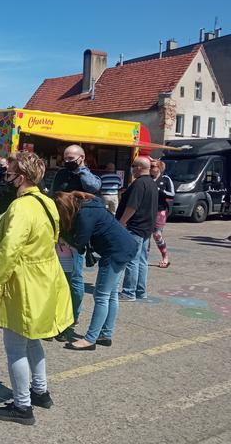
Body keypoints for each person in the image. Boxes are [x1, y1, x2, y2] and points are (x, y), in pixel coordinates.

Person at [0, 152, 73, 425]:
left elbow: (9, 251)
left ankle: (22, 407)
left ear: (20, 178)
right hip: (44, 279)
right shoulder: (46, 202)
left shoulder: (20, 208)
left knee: (15, 347)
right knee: (33, 339)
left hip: (23, 283)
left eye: (8, 175)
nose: (5, 179)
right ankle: (40, 391)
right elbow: (53, 237)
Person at [55, 191, 139, 350]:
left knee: (101, 296)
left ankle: (90, 339)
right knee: (112, 294)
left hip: (115, 252)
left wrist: (63, 236)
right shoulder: (90, 206)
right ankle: (105, 334)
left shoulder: (85, 214)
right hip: (125, 247)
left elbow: (80, 242)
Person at [49, 144, 101, 336]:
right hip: (61, 233)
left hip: (79, 236)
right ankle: (59, 313)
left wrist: (81, 170)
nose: (68, 161)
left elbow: (95, 187)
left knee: (76, 279)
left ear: (81, 158)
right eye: (66, 158)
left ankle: (73, 316)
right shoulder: (61, 175)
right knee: (61, 276)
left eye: (71, 158)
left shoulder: (87, 176)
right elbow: (53, 196)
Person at [117, 156, 159, 301]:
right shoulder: (152, 183)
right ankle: (140, 291)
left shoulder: (139, 184)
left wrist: (122, 221)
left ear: (140, 167)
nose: (132, 168)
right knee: (142, 260)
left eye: (134, 165)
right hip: (147, 226)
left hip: (135, 226)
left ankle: (129, 292)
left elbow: (132, 206)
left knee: (132, 260)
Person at [150, 159, 174, 268]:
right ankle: (142, 257)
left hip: (160, 211)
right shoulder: (147, 179)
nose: (151, 168)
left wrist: (160, 190)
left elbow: (172, 194)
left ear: (159, 168)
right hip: (147, 211)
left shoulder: (165, 179)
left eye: (153, 166)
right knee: (145, 236)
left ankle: (165, 256)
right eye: (150, 166)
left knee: (157, 235)